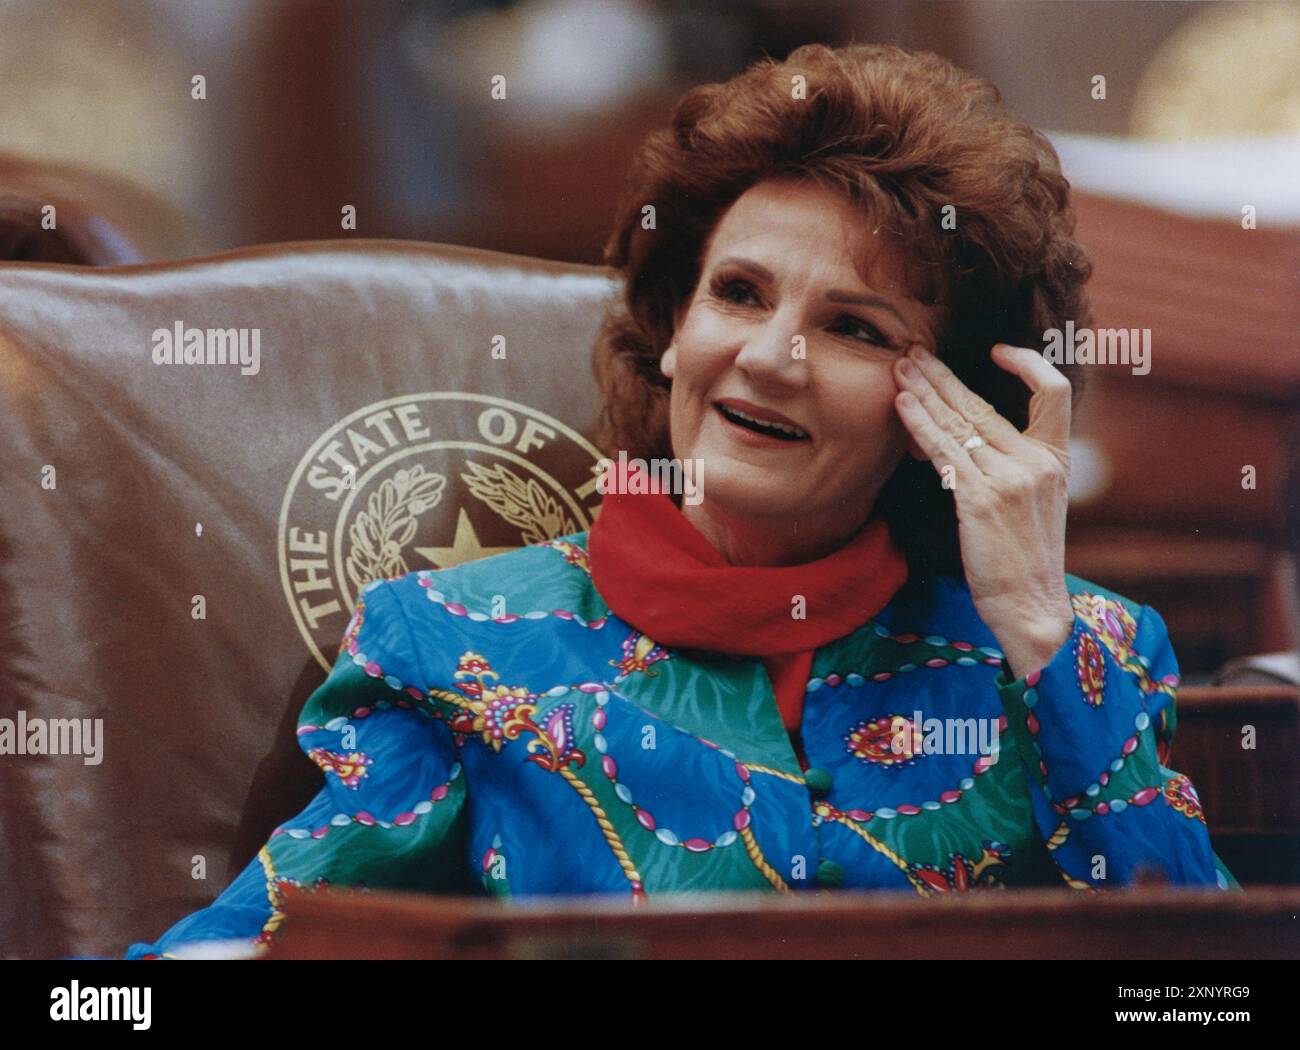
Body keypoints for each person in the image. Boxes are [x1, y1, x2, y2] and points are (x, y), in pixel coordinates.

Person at [126, 42, 1238, 959]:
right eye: (737, 293)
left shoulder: (1082, 654)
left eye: (855, 328)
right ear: (670, 331)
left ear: (951, 405)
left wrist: (1040, 633)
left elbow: (1204, 988)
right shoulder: (458, 646)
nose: (768, 358)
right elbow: (241, 952)